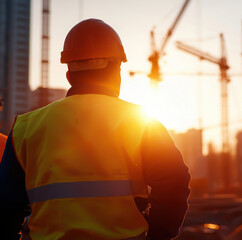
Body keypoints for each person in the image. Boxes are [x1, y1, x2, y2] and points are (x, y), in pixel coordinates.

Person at [0, 18, 190, 240]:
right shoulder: (141, 122)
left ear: (69, 75)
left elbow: (6, 206)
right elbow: (174, 183)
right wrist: (158, 234)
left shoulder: (26, 127)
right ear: (115, 72)